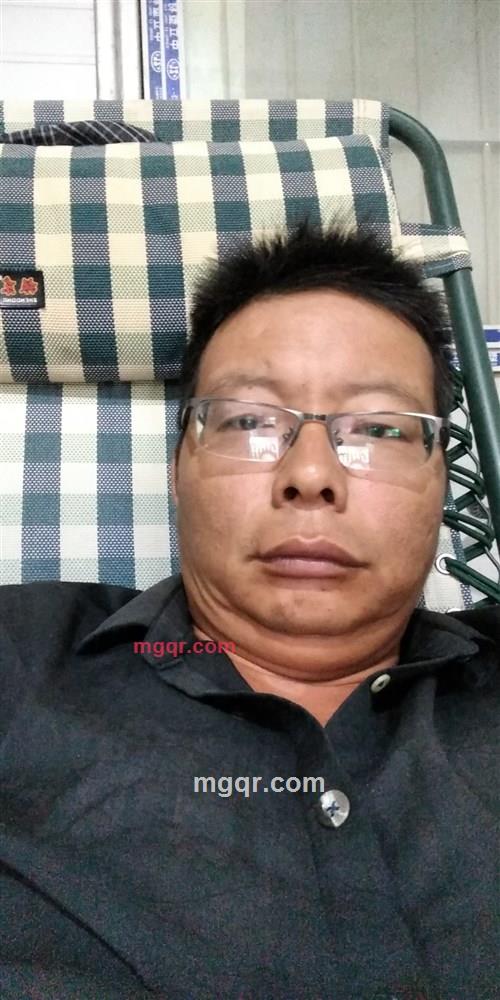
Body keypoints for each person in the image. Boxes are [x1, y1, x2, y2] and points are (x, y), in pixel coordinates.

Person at [0, 223, 498, 1000]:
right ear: (179, 469)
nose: (311, 475)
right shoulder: (19, 659)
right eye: (250, 422)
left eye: (377, 429)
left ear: (440, 484)